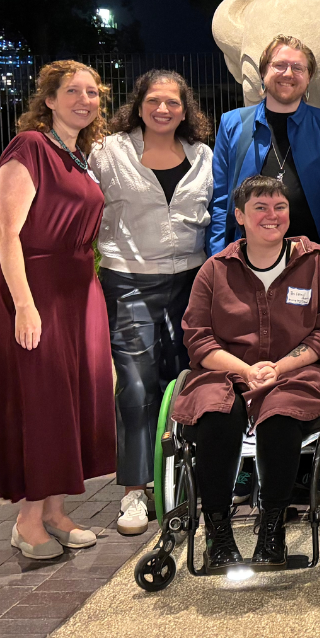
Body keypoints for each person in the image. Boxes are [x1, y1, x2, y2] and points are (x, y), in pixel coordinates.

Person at [175, 175, 320, 572]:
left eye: (279, 207)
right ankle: (218, 532)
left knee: (280, 413)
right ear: (239, 216)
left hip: (298, 372)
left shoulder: (315, 264)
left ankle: (273, 528)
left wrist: (278, 368)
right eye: (260, 208)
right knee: (216, 414)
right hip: (227, 372)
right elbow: (197, 339)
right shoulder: (214, 271)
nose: (272, 216)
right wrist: (245, 371)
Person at [0, 61, 115, 560]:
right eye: (72, 91)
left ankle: (56, 511)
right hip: (33, 289)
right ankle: (27, 520)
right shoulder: (31, 147)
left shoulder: (77, 156)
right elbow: (5, 232)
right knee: (40, 402)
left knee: (72, 398)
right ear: (50, 100)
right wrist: (23, 305)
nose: (85, 100)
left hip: (78, 290)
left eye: (93, 93)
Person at [90, 70, 214, 537]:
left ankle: (181, 477)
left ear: (186, 108)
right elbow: (83, 204)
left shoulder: (203, 155)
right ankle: (135, 491)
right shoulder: (109, 151)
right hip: (129, 281)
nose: (164, 109)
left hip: (191, 280)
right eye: (154, 100)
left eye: (174, 102)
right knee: (137, 386)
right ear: (139, 103)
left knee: (183, 378)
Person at [208, 35, 320, 270]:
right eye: (279, 65)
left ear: (308, 79)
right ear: (263, 73)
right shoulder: (232, 123)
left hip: (311, 262)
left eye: (298, 67)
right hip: (245, 265)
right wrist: (217, 259)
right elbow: (220, 200)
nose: (288, 73)